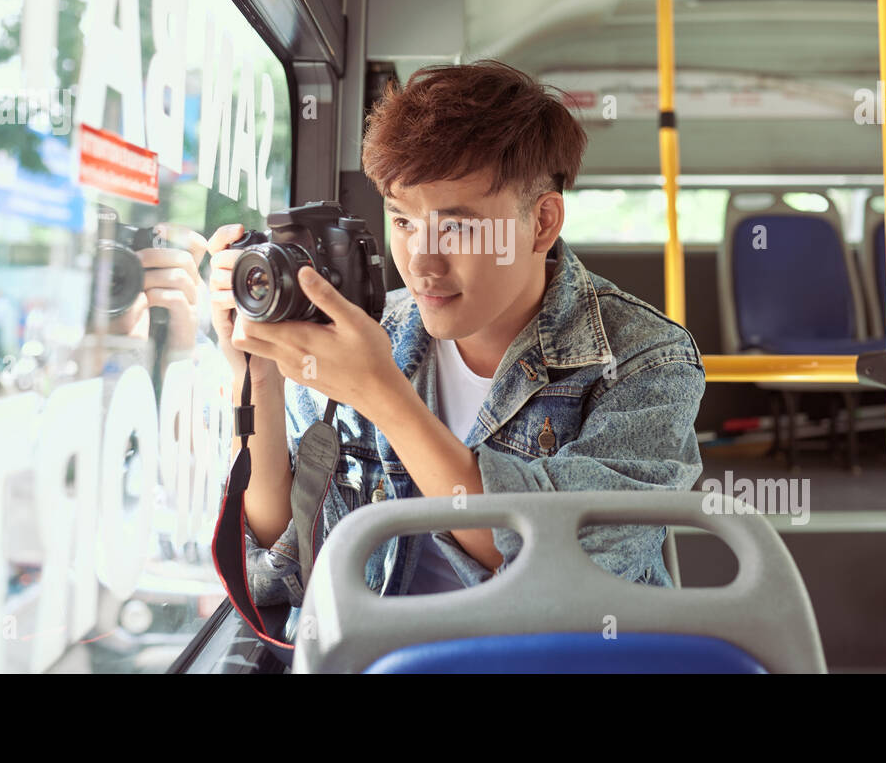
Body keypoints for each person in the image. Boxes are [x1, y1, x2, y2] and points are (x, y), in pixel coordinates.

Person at [206, 60, 705, 620]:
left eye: (458, 227)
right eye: (402, 221)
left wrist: (382, 393)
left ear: (542, 222)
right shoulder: (367, 334)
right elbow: (276, 571)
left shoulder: (646, 359)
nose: (420, 262)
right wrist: (258, 379)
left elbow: (554, 570)